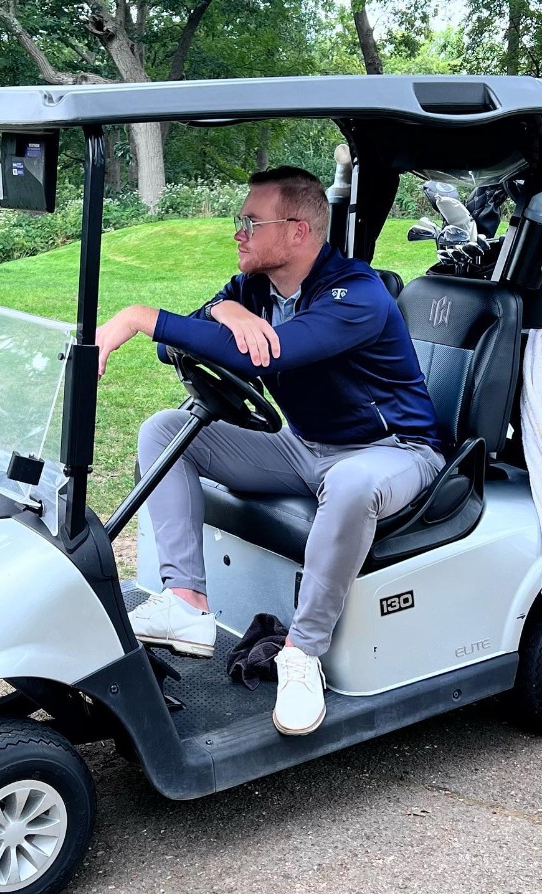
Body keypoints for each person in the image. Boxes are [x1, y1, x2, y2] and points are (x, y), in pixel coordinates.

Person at [94, 166, 443, 736]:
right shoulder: (257, 286)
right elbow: (194, 332)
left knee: (353, 485)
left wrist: (139, 318)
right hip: (304, 445)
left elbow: (273, 355)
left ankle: (302, 654)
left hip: (394, 449)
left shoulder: (357, 295)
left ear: (299, 231)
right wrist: (226, 311)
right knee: (164, 429)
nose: (239, 233)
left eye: (251, 223)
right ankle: (185, 603)